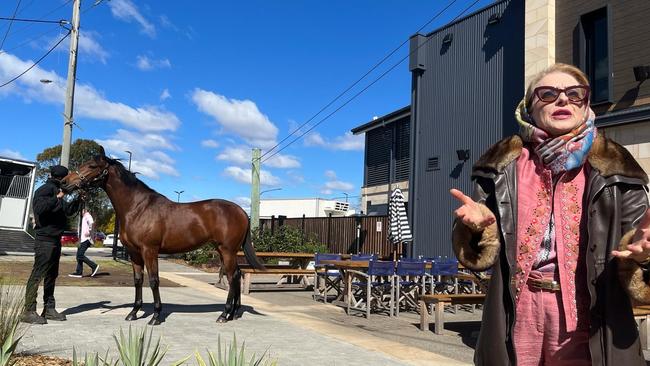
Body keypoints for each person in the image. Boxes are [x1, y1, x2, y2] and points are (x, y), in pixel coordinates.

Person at [450, 63, 650, 365]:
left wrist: (643, 254)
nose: (563, 100)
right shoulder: (502, 164)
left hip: (592, 310)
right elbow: (482, 255)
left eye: (574, 93)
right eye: (548, 93)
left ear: (585, 104)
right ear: (530, 107)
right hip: (517, 308)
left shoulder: (618, 166)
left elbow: (638, 241)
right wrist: (477, 230)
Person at [21, 165, 82, 324]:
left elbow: (68, 211)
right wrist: (58, 197)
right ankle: (29, 310)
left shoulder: (57, 191)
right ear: (61, 178)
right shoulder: (45, 189)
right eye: (66, 177)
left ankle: (48, 309)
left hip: (55, 240)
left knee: (51, 275)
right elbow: (40, 209)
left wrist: (79, 199)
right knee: (38, 274)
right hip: (45, 240)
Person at [68, 208, 99, 278]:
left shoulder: (87, 215)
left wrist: (89, 231)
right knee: (78, 256)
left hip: (86, 239)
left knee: (80, 255)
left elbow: (91, 222)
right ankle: (79, 272)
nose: (80, 212)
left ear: (84, 210)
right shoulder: (84, 217)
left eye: (81, 211)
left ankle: (94, 266)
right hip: (82, 240)